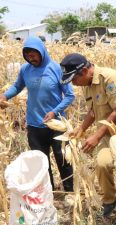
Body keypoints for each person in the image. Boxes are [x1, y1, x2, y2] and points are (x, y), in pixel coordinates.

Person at [0, 36, 75, 192]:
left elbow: (70, 95)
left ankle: (69, 191)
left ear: (42, 52)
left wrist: (54, 112)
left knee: (63, 159)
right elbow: (17, 86)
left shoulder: (57, 69)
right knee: (41, 161)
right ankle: (48, 191)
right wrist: (5, 96)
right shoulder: (25, 70)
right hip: (35, 124)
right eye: (27, 56)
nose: (31, 58)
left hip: (57, 125)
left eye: (34, 55)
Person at [59, 53, 116, 218]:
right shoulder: (87, 84)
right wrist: (81, 129)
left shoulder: (110, 78)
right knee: (102, 163)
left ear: (83, 71)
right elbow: (92, 111)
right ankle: (110, 201)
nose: (74, 84)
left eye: (74, 79)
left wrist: (96, 136)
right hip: (106, 135)